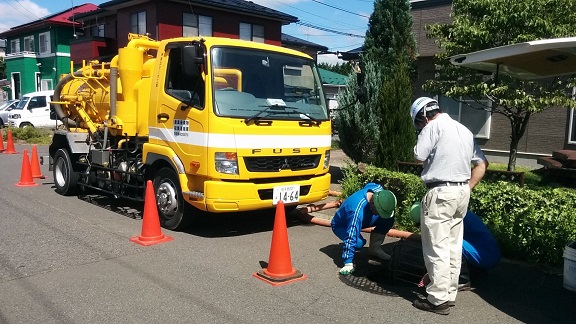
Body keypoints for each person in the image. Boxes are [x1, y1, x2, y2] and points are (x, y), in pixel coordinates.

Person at [410, 97, 488, 315]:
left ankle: (437, 299)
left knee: (437, 247)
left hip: (440, 192)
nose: (419, 125)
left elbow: (418, 156)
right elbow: (482, 164)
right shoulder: (463, 129)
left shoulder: (431, 126)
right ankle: (449, 293)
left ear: (423, 116)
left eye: (418, 122)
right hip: (462, 191)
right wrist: (468, 187)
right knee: (454, 245)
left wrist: (423, 135)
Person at [409, 203, 501, 290]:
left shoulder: (448, 217)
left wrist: (431, 273)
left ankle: (462, 279)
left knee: (446, 242)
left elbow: (442, 242)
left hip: (486, 254)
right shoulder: (451, 211)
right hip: (485, 252)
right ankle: (476, 271)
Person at [331, 182, 397, 275]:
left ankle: (374, 248)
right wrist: (348, 263)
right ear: (373, 204)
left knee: (388, 218)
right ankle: (348, 254)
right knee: (358, 243)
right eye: (378, 211)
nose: (379, 214)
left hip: (365, 218)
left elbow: (369, 185)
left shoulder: (378, 190)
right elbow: (351, 235)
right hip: (342, 224)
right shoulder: (356, 211)